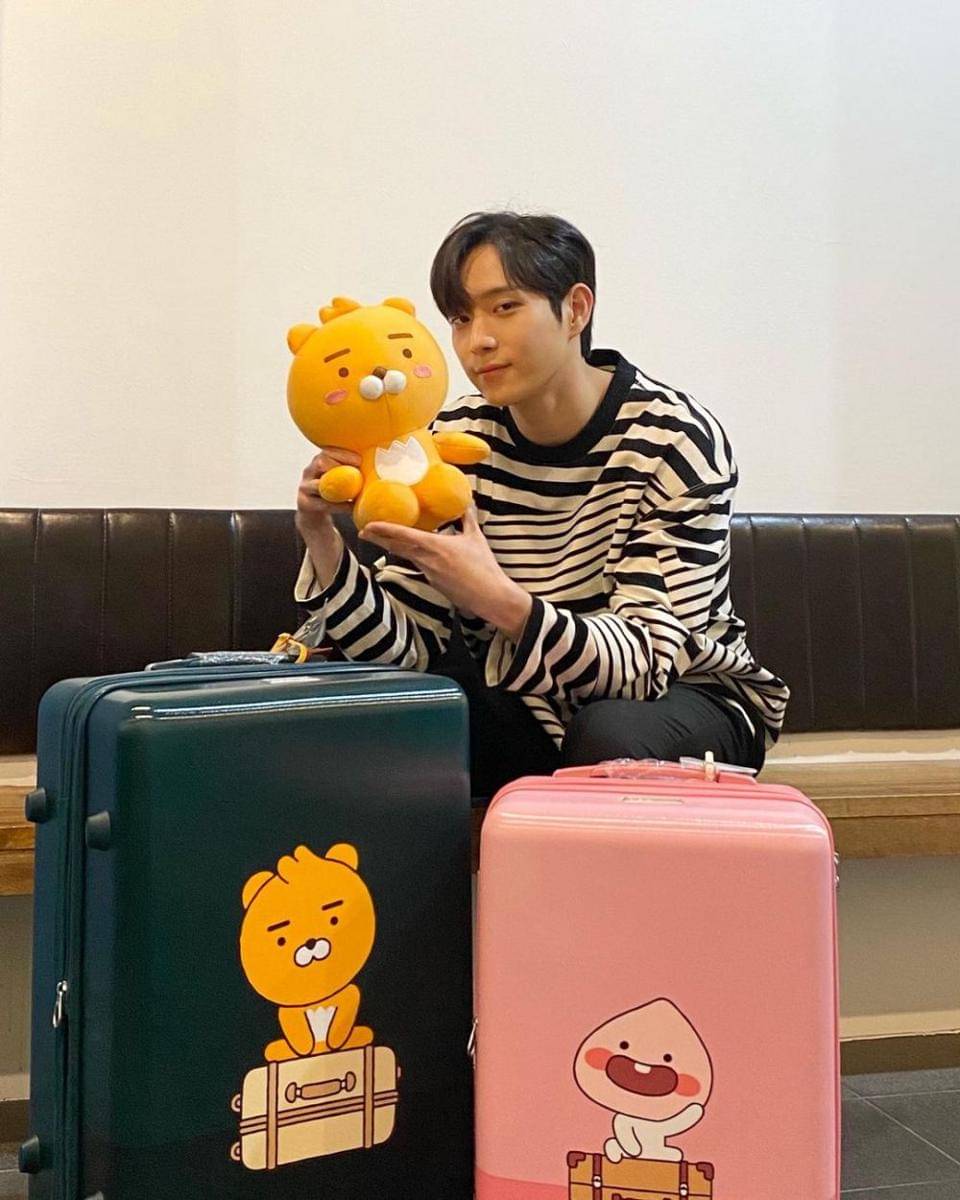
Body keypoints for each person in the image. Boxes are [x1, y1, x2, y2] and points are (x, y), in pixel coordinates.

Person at [293, 212, 789, 798]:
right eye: (460, 318)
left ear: (575, 309)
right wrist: (322, 540)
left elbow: (646, 665)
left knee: (608, 738)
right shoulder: (455, 439)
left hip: (684, 696)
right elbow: (407, 650)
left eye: (504, 307)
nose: (477, 340)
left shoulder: (673, 441)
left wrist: (497, 600)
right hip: (529, 702)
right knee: (403, 716)